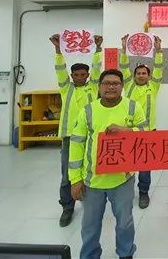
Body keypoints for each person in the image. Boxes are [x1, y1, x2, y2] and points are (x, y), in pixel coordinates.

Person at [68, 69, 149, 259]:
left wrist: (127, 130)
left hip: (123, 179)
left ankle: (125, 253)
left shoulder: (133, 107)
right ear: (99, 87)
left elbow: (146, 133)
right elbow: (76, 145)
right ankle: (89, 255)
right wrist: (75, 180)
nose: (111, 87)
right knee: (90, 225)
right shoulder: (88, 110)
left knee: (125, 222)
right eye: (106, 83)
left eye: (115, 83)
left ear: (122, 86)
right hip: (92, 181)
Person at [49, 33, 102, 227]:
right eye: (76, 75)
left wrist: (98, 49)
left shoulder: (93, 88)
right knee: (67, 175)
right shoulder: (66, 88)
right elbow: (59, 69)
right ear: (71, 76)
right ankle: (67, 207)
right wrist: (58, 49)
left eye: (83, 75)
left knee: (90, 171)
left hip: (90, 136)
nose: (79, 77)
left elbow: (97, 67)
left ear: (88, 76)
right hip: (70, 138)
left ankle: (91, 203)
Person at [119, 34, 163, 209]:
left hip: (148, 133)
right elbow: (123, 67)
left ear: (149, 76)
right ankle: (125, 190)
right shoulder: (128, 85)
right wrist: (123, 49)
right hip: (129, 131)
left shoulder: (154, 86)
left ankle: (143, 192)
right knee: (127, 163)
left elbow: (159, 67)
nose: (141, 75)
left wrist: (159, 51)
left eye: (144, 73)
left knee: (145, 165)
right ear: (134, 75)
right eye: (138, 73)